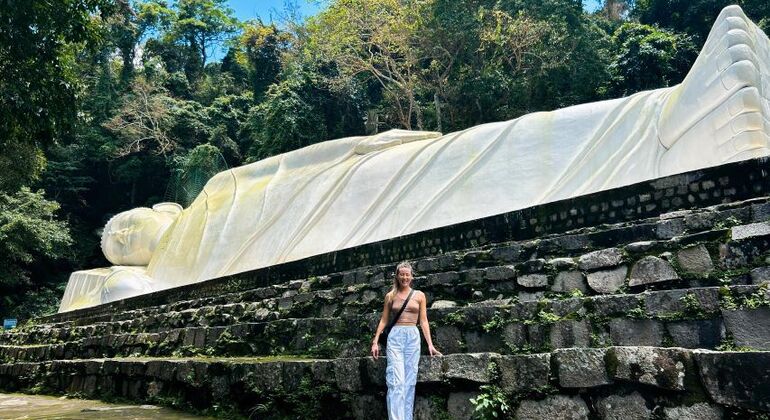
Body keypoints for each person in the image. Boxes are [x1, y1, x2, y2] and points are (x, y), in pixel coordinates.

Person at [371, 261, 441, 420]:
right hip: (395, 336)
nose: (404, 277)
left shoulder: (419, 295)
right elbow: (383, 320)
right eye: (401, 274)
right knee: (396, 381)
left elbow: (423, 321)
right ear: (397, 276)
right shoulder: (390, 296)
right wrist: (375, 341)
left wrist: (430, 344)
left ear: (411, 276)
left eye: (407, 274)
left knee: (409, 382)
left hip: (412, 336)